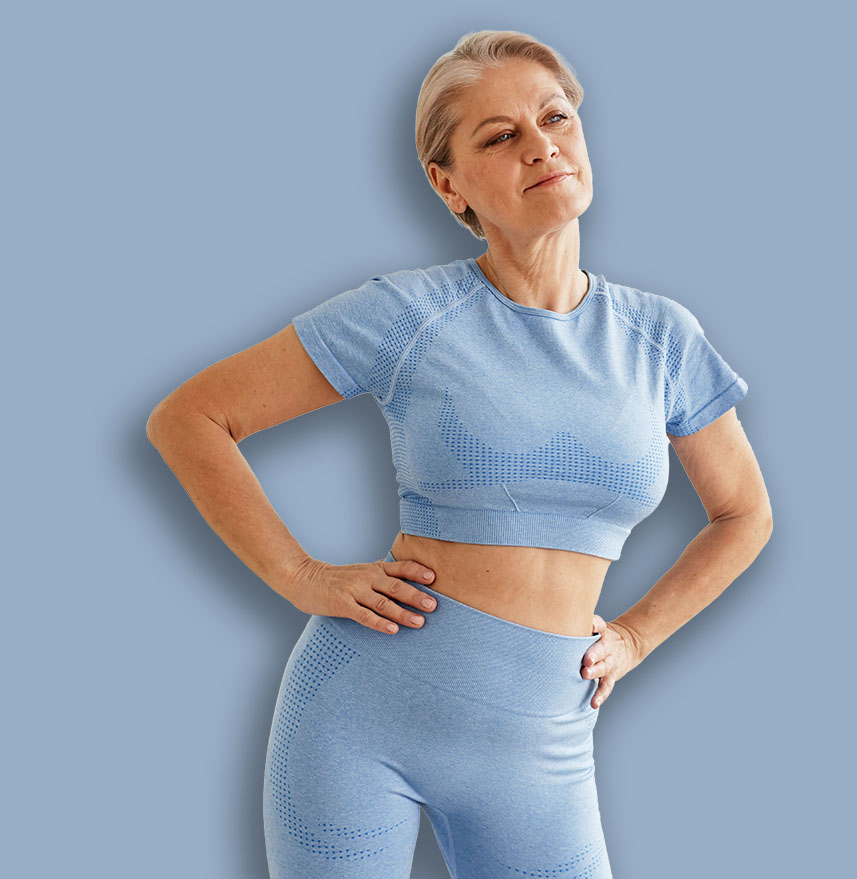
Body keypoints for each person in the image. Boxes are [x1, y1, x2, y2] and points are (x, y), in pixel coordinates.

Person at [147, 28, 772, 879]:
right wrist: (301, 576)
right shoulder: (407, 314)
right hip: (362, 719)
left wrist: (633, 635)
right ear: (449, 186)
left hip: (545, 746)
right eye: (500, 135)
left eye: (556, 118)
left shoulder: (660, 337)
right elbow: (190, 418)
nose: (542, 145)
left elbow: (743, 514)